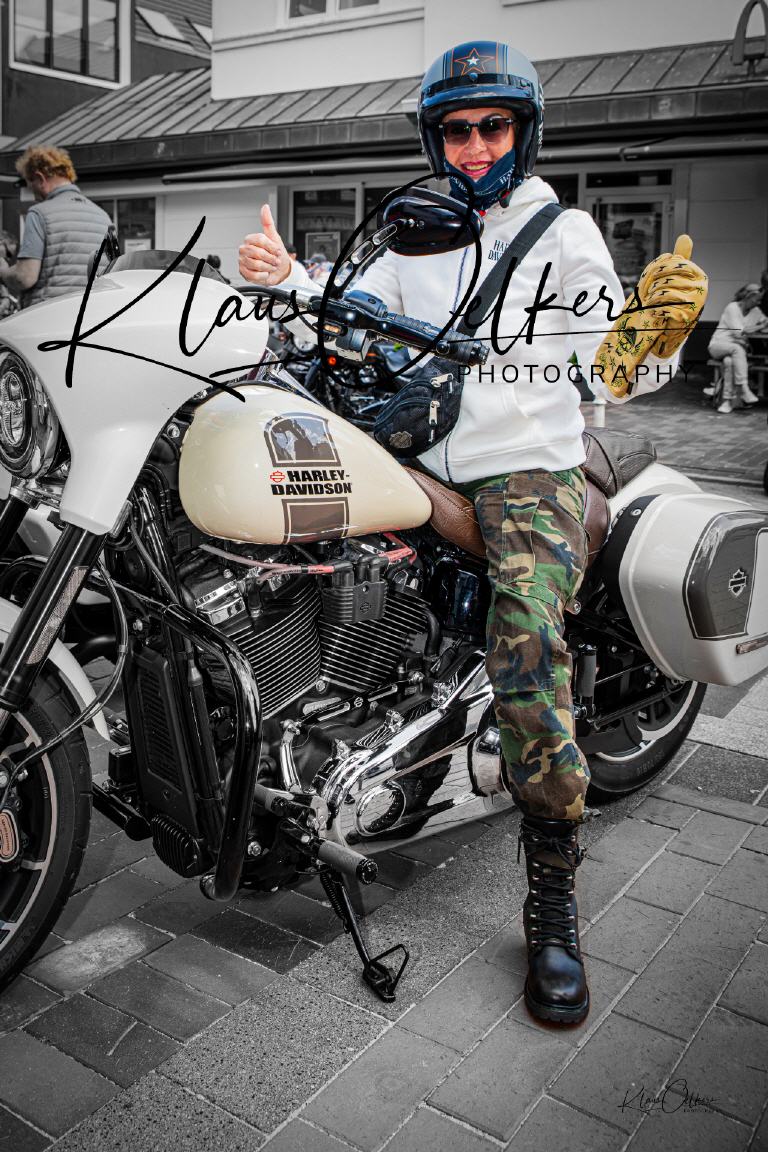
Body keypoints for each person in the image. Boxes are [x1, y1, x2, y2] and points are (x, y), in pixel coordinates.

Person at [238, 40, 707, 1027]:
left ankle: (553, 898)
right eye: (457, 129)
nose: (476, 145)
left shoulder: (563, 230)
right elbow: (360, 313)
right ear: (436, 139)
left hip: (526, 466)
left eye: (494, 125)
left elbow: (602, 366)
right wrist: (290, 282)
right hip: (414, 446)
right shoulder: (421, 227)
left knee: (528, 640)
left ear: (523, 131)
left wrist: (648, 336)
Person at [0, 145, 111, 308]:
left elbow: (24, 277)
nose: (33, 194)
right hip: (92, 313)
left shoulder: (39, 213)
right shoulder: (103, 217)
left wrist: (3, 270)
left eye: (30, 184)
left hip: (49, 313)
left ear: (40, 178)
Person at [708, 284, 766, 414]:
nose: (759, 302)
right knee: (737, 349)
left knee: (729, 362)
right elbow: (738, 332)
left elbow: (765, 323)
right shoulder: (732, 308)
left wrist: (764, 324)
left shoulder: (756, 311)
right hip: (718, 345)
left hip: (735, 350)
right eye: (757, 299)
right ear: (748, 297)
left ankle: (727, 401)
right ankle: (744, 388)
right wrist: (759, 327)